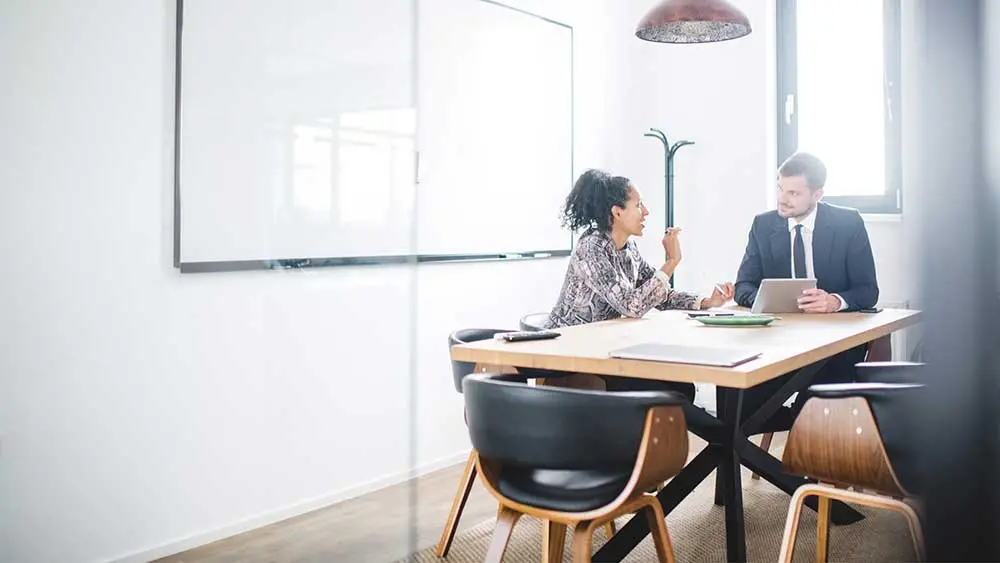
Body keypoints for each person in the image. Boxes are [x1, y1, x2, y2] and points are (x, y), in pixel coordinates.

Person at [540, 169, 735, 401]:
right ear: (617, 212)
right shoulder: (591, 248)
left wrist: (706, 301)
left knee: (682, 388)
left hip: (603, 348)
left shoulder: (628, 249)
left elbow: (660, 295)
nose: (646, 212)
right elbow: (632, 306)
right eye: (639, 204)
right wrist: (671, 262)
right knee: (669, 391)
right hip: (571, 352)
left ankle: (711, 436)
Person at [734, 151, 879, 418]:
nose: (782, 199)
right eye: (780, 188)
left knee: (825, 395)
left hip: (834, 340)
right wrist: (766, 299)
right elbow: (743, 285)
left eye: (793, 193)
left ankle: (809, 437)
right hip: (778, 339)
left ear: (817, 195)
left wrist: (835, 301)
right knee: (739, 401)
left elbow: (868, 291)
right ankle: (754, 443)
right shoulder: (763, 225)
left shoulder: (848, 223)